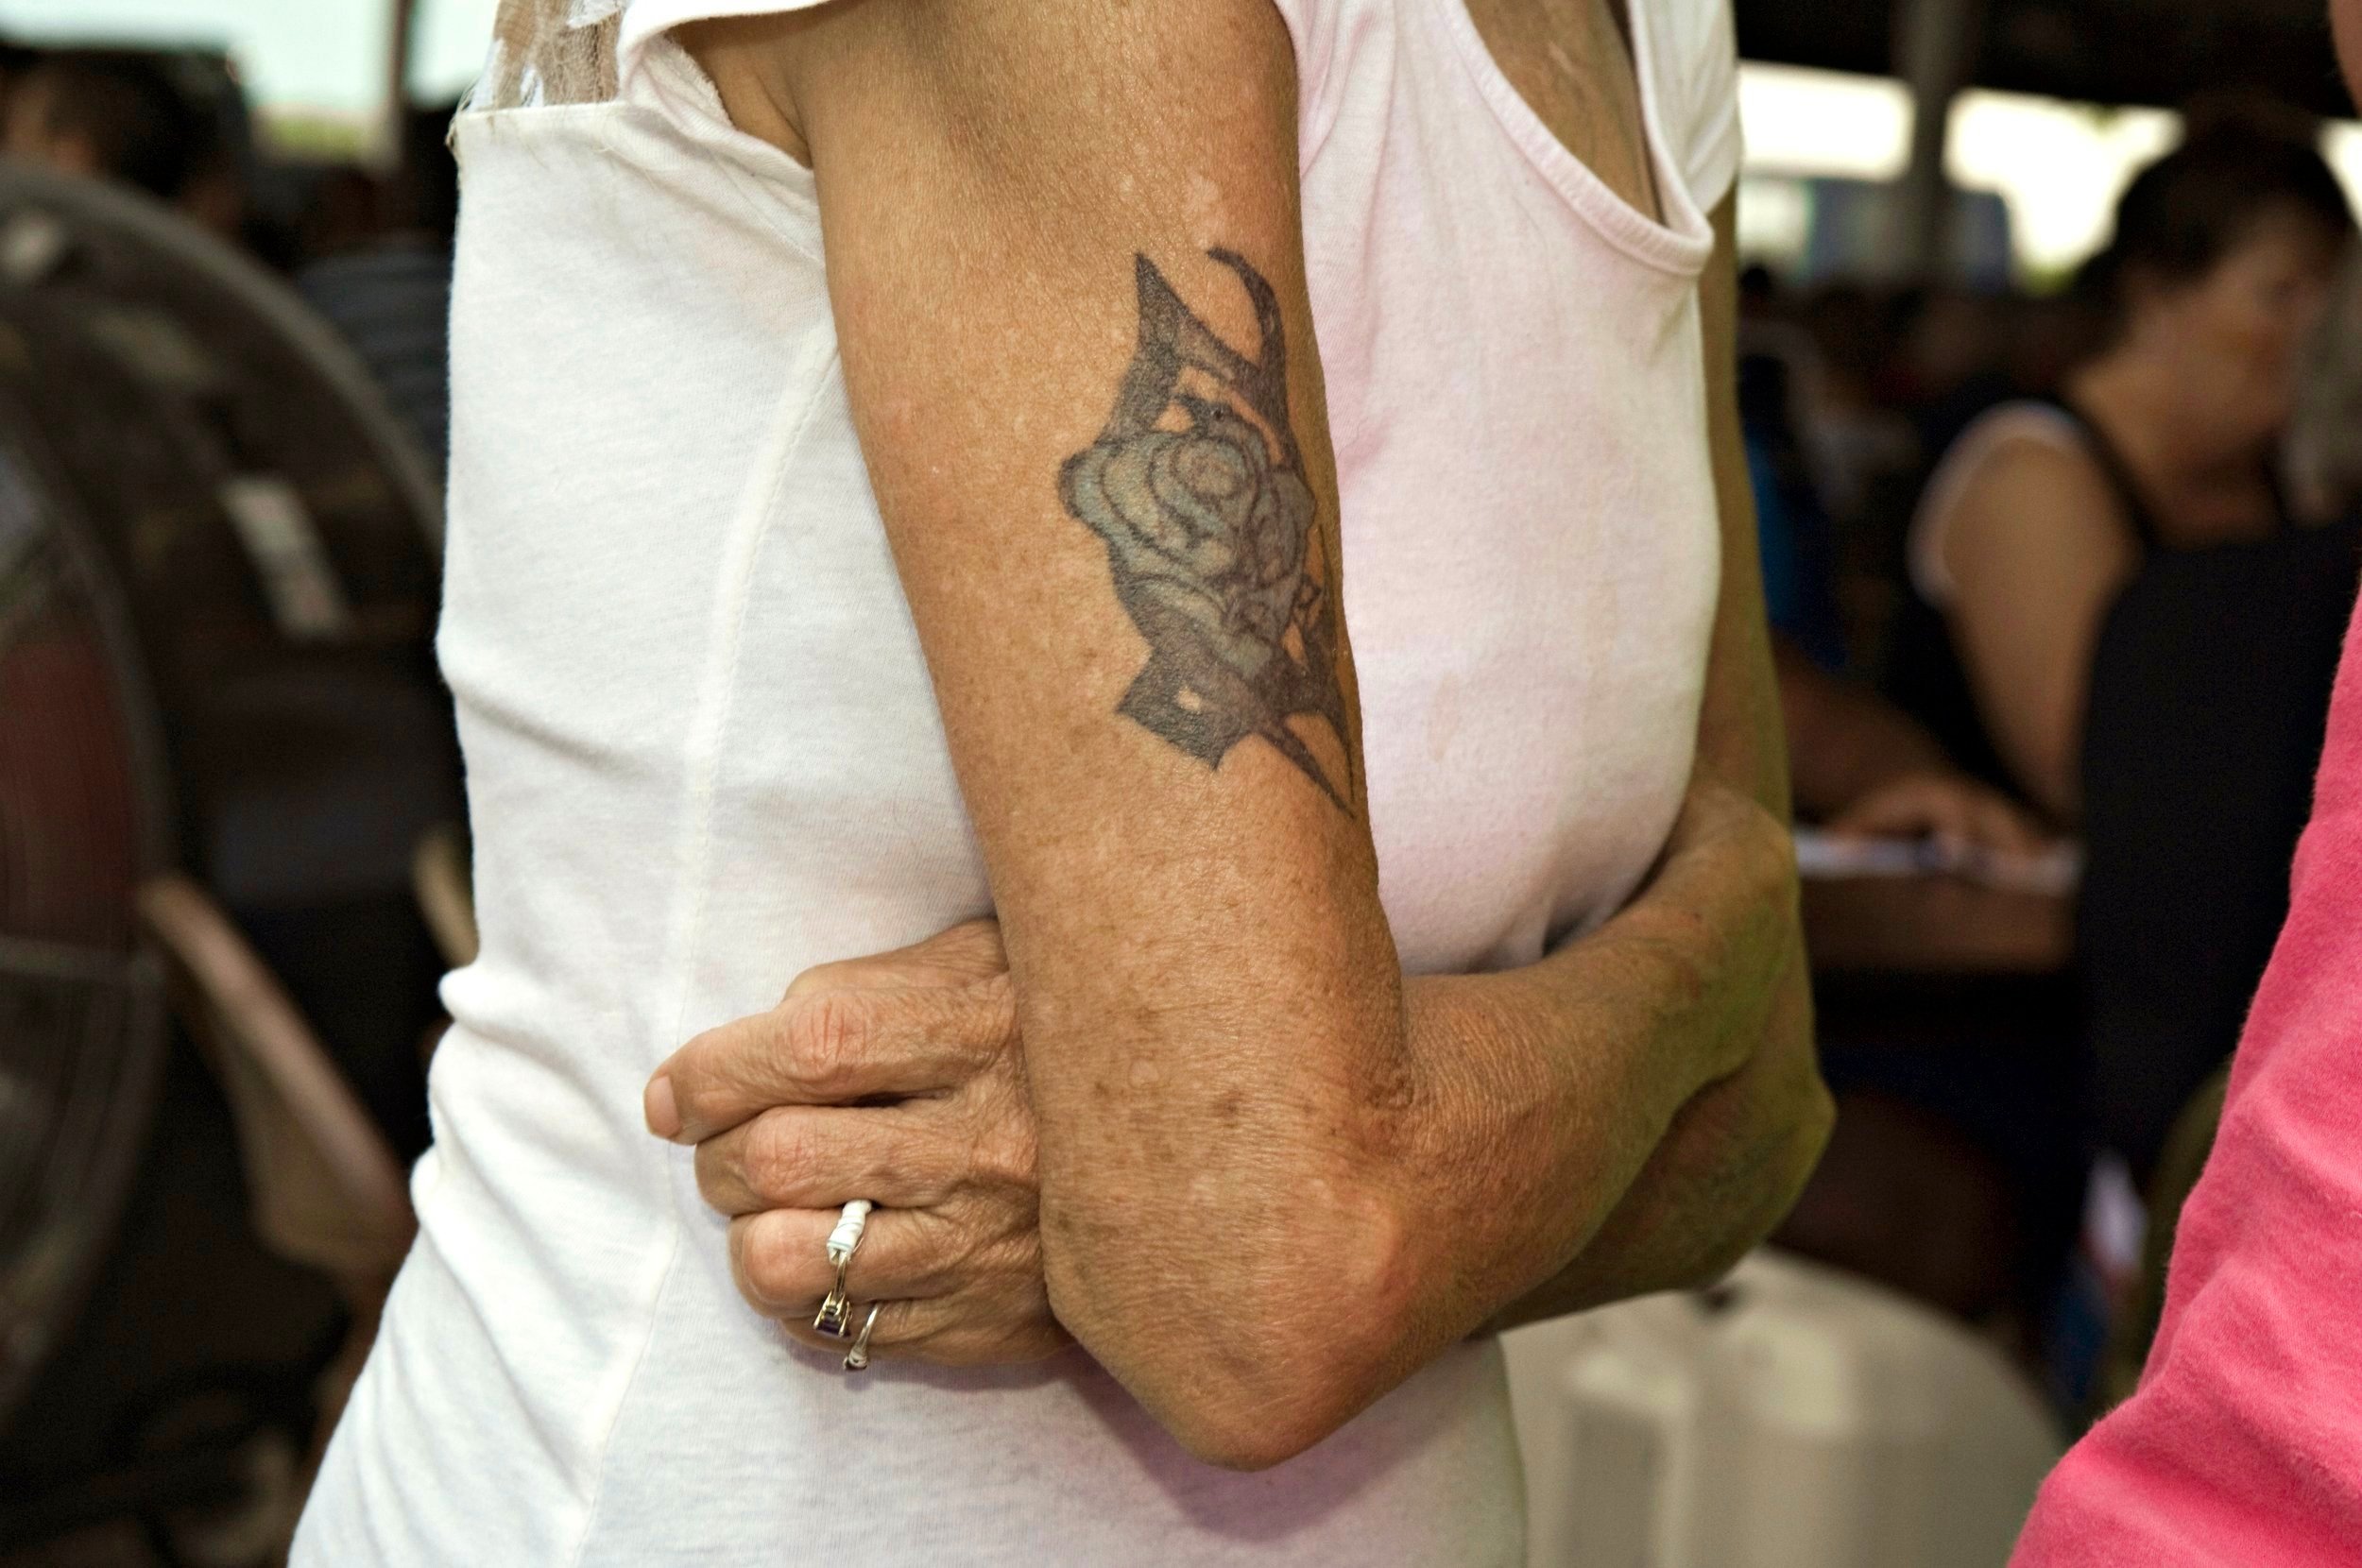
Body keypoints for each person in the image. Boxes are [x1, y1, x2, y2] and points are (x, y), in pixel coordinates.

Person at [294, 0, 1830, 1562]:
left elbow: (1763, 1134)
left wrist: (1266, 1171)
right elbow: (1280, 1287)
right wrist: (1710, 964)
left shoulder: (1653, 33)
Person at [1894, 118, 2352, 821]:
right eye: (2282, 293)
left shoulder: (2284, 481)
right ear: (2153, 299)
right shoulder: (2030, 472)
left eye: (2334, 301)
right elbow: (2090, 770)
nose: (2314, 332)